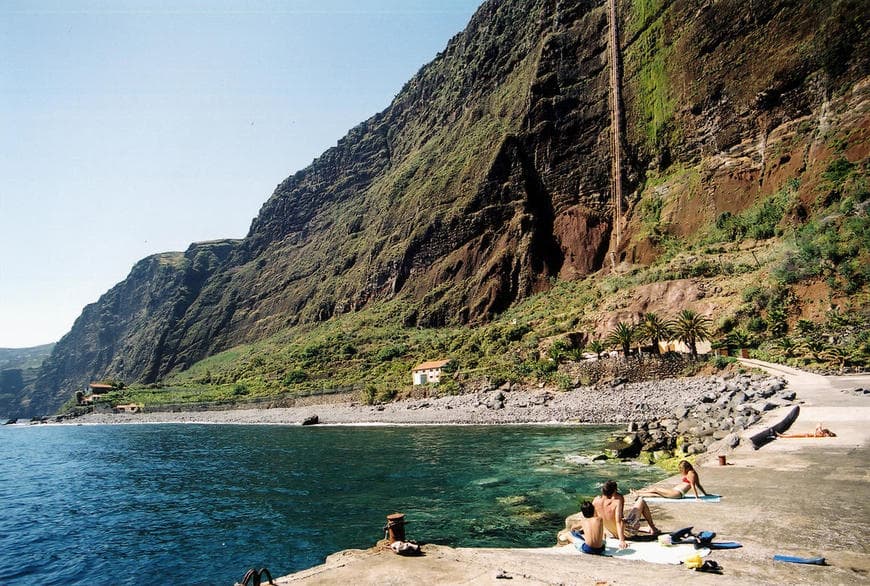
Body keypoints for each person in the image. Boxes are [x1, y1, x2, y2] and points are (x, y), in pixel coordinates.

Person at [593, 480, 659, 550]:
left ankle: (644, 529)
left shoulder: (595, 500)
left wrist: (601, 536)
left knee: (625, 520)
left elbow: (595, 520)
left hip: (612, 532)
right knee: (641, 501)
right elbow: (619, 521)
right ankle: (653, 528)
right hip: (627, 532)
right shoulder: (617, 500)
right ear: (614, 491)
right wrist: (622, 540)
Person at [632, 460, 707, 500]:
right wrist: (705, 494)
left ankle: (638, 492)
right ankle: (638, 494)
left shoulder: (691, 474)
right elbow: (699, 485)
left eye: (682, 469)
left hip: (677, 493)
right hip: (675, 491)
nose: (681, 470)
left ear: (687, 467)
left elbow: (693, 485)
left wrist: (697, 498)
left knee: (656, 490)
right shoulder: (690, 472)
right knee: (657, 494)